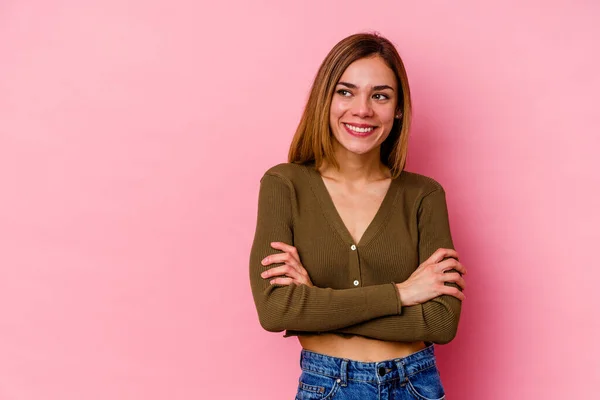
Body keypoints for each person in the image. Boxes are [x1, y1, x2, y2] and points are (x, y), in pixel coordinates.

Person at [249, 32, 467, 399]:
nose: (362, 109)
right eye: (345, 92)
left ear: (397, 109)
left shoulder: (424, 195)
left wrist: (317, 304)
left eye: (380, 95)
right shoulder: (284, 184)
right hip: (328, 385)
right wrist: (403, 293)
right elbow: (275, 311)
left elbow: (442, 322)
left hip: (415, 385)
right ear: (325, 99)